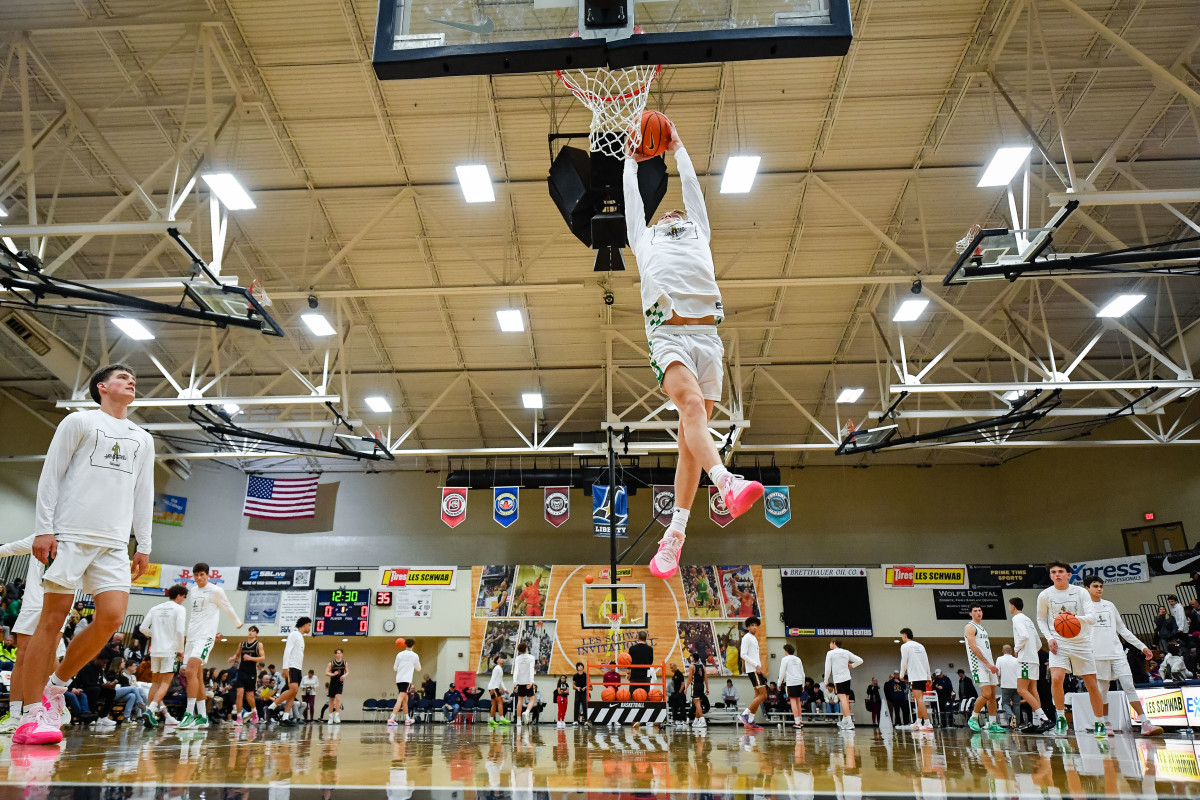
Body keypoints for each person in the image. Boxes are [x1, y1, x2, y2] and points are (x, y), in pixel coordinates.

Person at [624, 124, 764, 580]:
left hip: (708, 339)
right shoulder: (645, 239)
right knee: (688, 407)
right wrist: (630, 161)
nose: (670, 215)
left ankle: (675, 534)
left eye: (676, 213)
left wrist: (679, 148)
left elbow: (692, 190)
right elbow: (635, 207)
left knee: (690, 441)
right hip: (668, 335)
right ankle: (726, 481)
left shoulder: (698, 230)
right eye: (663, 215)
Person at [15, 364, 154, 746]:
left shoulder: (143, 437)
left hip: (113, 543)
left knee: (111, 617)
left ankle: (56, 688)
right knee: (52, 620)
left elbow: (144, 493)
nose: (131, 380)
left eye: (132, 376)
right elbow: (52, 474)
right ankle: (30, 716)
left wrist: (144, 543)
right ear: (102, 387)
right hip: (70, 534)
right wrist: (44, 527)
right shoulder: (78, 422)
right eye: (123, 376)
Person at [0, 534, 68, 734]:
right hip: (33, 601)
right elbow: (9, 548)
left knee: (48, 655)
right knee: (23, 655)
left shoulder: (78, 534)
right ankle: (14, 716)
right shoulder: (41, 534)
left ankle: (53, 704)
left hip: (59, 599)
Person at [1084, 575, 1163, 736]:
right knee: (1102, 690)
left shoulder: (1109, 606)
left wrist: (1142, 646)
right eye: (1095, 586)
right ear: (1087, 589)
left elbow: (1123, 629)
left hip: (1117, 653)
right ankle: (1105, 722)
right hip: (1097, 656)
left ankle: (1145, 722)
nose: (1099, 588)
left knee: (1129, 685)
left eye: (1101, 586)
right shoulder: (1082, 608)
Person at [1037, 560, 1107, 738]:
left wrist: (1072, 619)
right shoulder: (1044, 595)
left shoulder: (1081, 592)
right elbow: (1041, 620)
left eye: (1061, 571)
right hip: (1059, 642)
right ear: (1050, 575)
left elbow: (1091, 617)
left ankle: (1100, 722)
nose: (1057, 574)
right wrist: (1050, 638)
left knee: (1092, 684)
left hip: (1081, 642)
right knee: (1056, 679)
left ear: (1069, 575)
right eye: (1053, 572)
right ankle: (1060, 718)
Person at [178, 563, 244, 729]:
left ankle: (188, 714)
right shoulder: (193, 591)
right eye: (196, 575)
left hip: (205, 638)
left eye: (202, 574)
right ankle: (202, 716)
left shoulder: (215, 590)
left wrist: (237, 622)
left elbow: (227, 607)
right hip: (192, 637)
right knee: (198, 676)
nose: (199, 578)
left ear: (208, 575)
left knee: (190, 671)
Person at [139, 583, 188, 727]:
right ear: (179, 595)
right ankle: (150, 710)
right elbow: (180, 631)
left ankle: (150, 714)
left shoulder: (155, 608)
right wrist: (181, 649)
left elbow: (143, 628)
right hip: (170, 651)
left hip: (155, 651)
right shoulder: (180, 609)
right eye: (183, 598)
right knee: (165, 683)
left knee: (155, 683)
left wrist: (157, 636)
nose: (183, 601)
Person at [1007, 596, 1052, 733]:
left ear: (1013, 606)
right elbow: (1038, 643)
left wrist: (1016, 649)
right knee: (1033, 690)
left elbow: (1024, 636)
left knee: (1021, 690)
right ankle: (1037, 722)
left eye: (1009, 605)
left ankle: (1045, 719)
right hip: (1033, 659)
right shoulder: (1028, 619)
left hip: (1025, 660)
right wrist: (1031, 652)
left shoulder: (1017, 618)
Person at [964, 603, 1005, 735]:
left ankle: (993, 723)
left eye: (980, 610)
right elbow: (973, 647)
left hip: (988, 664)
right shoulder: (970, 626)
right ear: (970, 613)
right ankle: (973, 717)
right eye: (975, 611)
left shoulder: (982, 628)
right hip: (978, 665)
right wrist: (987, 664)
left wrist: (991, 664)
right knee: (986, 694)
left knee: (992, 695)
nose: (978, 613)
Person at [264, 617, 310, 727]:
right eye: (309, 625)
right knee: (292, 689)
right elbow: (287, 650)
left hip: (298, 668)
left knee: (293, 693)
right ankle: (271, 707)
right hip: (291, 667)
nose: (309, 627)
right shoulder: (294, 634)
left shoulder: (301, 637)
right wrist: (285, 668)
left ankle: (285, 717)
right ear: (304, 625)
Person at [823, 640, 863, 730]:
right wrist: (852, 666)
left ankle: (849, 722)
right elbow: (860, 660)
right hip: (847, 678)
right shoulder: (846, 652)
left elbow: (827, 668)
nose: (829, 644)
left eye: (830, 643)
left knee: (843, 700)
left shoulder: (830, 653)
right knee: (846, 699)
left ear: (834, 643)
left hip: (838, 679)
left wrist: (826, 681)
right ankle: (845, 720)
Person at [898, 628, 933, 731]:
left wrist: (901, 674)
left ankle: (927, 723)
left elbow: (904, 661)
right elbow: (926, 661)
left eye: (902, 636)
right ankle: (918, 722)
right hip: (922, 676)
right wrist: (928, 676)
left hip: (915, 676)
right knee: (920, 699)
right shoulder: (921, 646)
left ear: (905, 636)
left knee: (919, 699)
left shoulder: (904, 646)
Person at [228, 625, 264, 726]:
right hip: (241, 672)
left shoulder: (258, 645)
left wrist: (250, 658)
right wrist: (232, 658)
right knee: (239, 694)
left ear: (256, 633)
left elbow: (262, 658)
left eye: (253, 631)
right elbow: (237, 655)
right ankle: (239, 717)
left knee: (249, 697)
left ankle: (254, 711)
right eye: (249, 631)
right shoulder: (242, 644)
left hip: (251, 672)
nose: (250, 632)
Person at [736, 617, 766, 730]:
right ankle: (744, 714)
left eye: (756, 625)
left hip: (755, 669)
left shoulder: (753, 638)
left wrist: (759, 665)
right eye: (752, 625)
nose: (754, 627)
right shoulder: (747, 638)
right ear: (748, 626)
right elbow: (743, 654)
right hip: (753, 670)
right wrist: (756, 665)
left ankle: (750, 721)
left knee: (758, 695)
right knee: (763, 695)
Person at [389, 637, 421, 727]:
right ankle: (391, 719)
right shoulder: (415, 656)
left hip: (398, 679)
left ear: (404, 644)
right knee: (400, 699)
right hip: (406, 680)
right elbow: (419, 669)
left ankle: (407, 719)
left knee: (405, 700)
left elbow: (395, 668)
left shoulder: (399, 655)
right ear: (413, 645)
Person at [777, 643, 805, 729]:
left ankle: (797, 722)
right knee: (798, 701)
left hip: (791, 682)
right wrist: (803, 684)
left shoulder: (785, 659)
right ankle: (800, 720)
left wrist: (779, 683)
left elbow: (782, 673)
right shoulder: (798, 659)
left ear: (786, 651)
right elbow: (802, 673)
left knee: (793, 701)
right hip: (799, 681)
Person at [995, 645, 1021, 728]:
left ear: (1002, 651)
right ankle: (1017, 724)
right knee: (1017, 704)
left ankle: (1011, 715)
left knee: (1005, 703)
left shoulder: (999, 659)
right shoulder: (1016, 660)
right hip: (1016, 685)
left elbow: (997, 673)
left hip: (1005, 685)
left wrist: (998, 681)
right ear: (1011, 651)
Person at [512, 641, 536, 724]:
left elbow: (516, 671)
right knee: (532, 699)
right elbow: (531, 670)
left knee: (520, 701)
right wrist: (532, 682)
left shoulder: (517, 658)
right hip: (528, 682)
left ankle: (518, 720)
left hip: (520, 682)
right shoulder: (531, 657)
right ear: (526, 649)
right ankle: (526, 712)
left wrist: (514, 682)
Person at [686, 651, 708, 728]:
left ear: (694, 658)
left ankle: (702, 721)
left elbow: (689, 679)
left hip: (695, 686)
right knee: (698, 703)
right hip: (702, 686)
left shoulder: (692, 666)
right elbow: (705, 678)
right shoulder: (702, 666)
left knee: (697, 704)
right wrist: (707, 688)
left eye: (692, 657)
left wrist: (686, 688)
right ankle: (696, 721)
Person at [326, 648, 348, 723]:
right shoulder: (331, 663)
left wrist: (344, 676)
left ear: (342, 654)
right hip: (332, 683)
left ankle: (336, 716)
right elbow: (326, 673)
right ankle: (330, 717)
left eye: (340, 653)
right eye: (337, 653)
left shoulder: (344, 663)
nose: (339, 654)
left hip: (340, 683)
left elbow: (347, 672)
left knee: (338, 699)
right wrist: (333, 674)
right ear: (335, 654)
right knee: (331, 700)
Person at [487, 653, 508, 726]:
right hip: (493, 687)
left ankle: (491, 720)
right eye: (500, 659)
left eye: (502, 658)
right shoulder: (497, 668)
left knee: (494, 704)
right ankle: (502, 719)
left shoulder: (499, 668)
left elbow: (500, 680)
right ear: (497, 661)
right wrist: (492, 689)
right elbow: (493, 679)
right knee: (500, 702)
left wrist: (505, 689)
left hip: (493, 687)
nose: (502, 659)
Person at [572, 661, 589, 726]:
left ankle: (586, 720)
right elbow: (573, 685)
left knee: (585, 706)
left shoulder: (586, 675)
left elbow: (589, 684)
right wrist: (577, 688)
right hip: (578, 692)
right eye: (578, 666)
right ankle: (575, 720)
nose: (580, 667)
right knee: (576, 706)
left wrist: (585, 687)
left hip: (584, 692)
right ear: (577, 668)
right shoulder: (575, 676)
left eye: (581, 665)